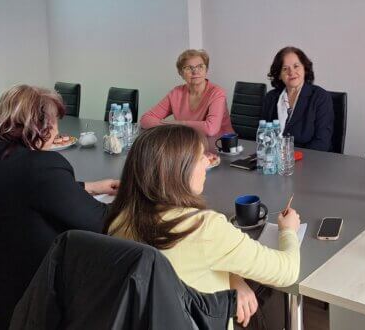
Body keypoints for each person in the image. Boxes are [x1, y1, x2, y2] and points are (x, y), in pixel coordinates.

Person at [106, 125, 300, 329]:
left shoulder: (119, 220)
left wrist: (234, 278)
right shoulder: (203, 227)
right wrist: (288, 230)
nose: (208, 162)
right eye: (200, 158)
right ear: (177, 171)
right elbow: (287, 271)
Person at [0, 85, 118, 329]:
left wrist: (89, 187)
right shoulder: (42, 166)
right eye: (55, 122)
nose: (57, 131)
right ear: (41, 126)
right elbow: (101, 222)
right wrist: (139, 198)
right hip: (31, 298)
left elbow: (15, 189)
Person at [140, 49, 235, 140]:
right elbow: (145, 120)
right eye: (188, 68)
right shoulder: (176, 93)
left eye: (200, 66)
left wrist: (177, 125)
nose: (195, 71)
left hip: (220, 145)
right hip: (190, 144)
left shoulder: (217, 92)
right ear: (180, 73)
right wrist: (175, 126)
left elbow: (211, 129)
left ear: (206, 70)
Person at [261, 46, 334, 152]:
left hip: (310, 159)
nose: (291, 72)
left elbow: (322, 143)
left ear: (305, 69)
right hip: (274, 159)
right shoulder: (270, 98)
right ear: (279, 75)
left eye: (296, 66)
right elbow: (263, 136)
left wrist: (289, 157)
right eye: (285, 69)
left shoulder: (320, 97)